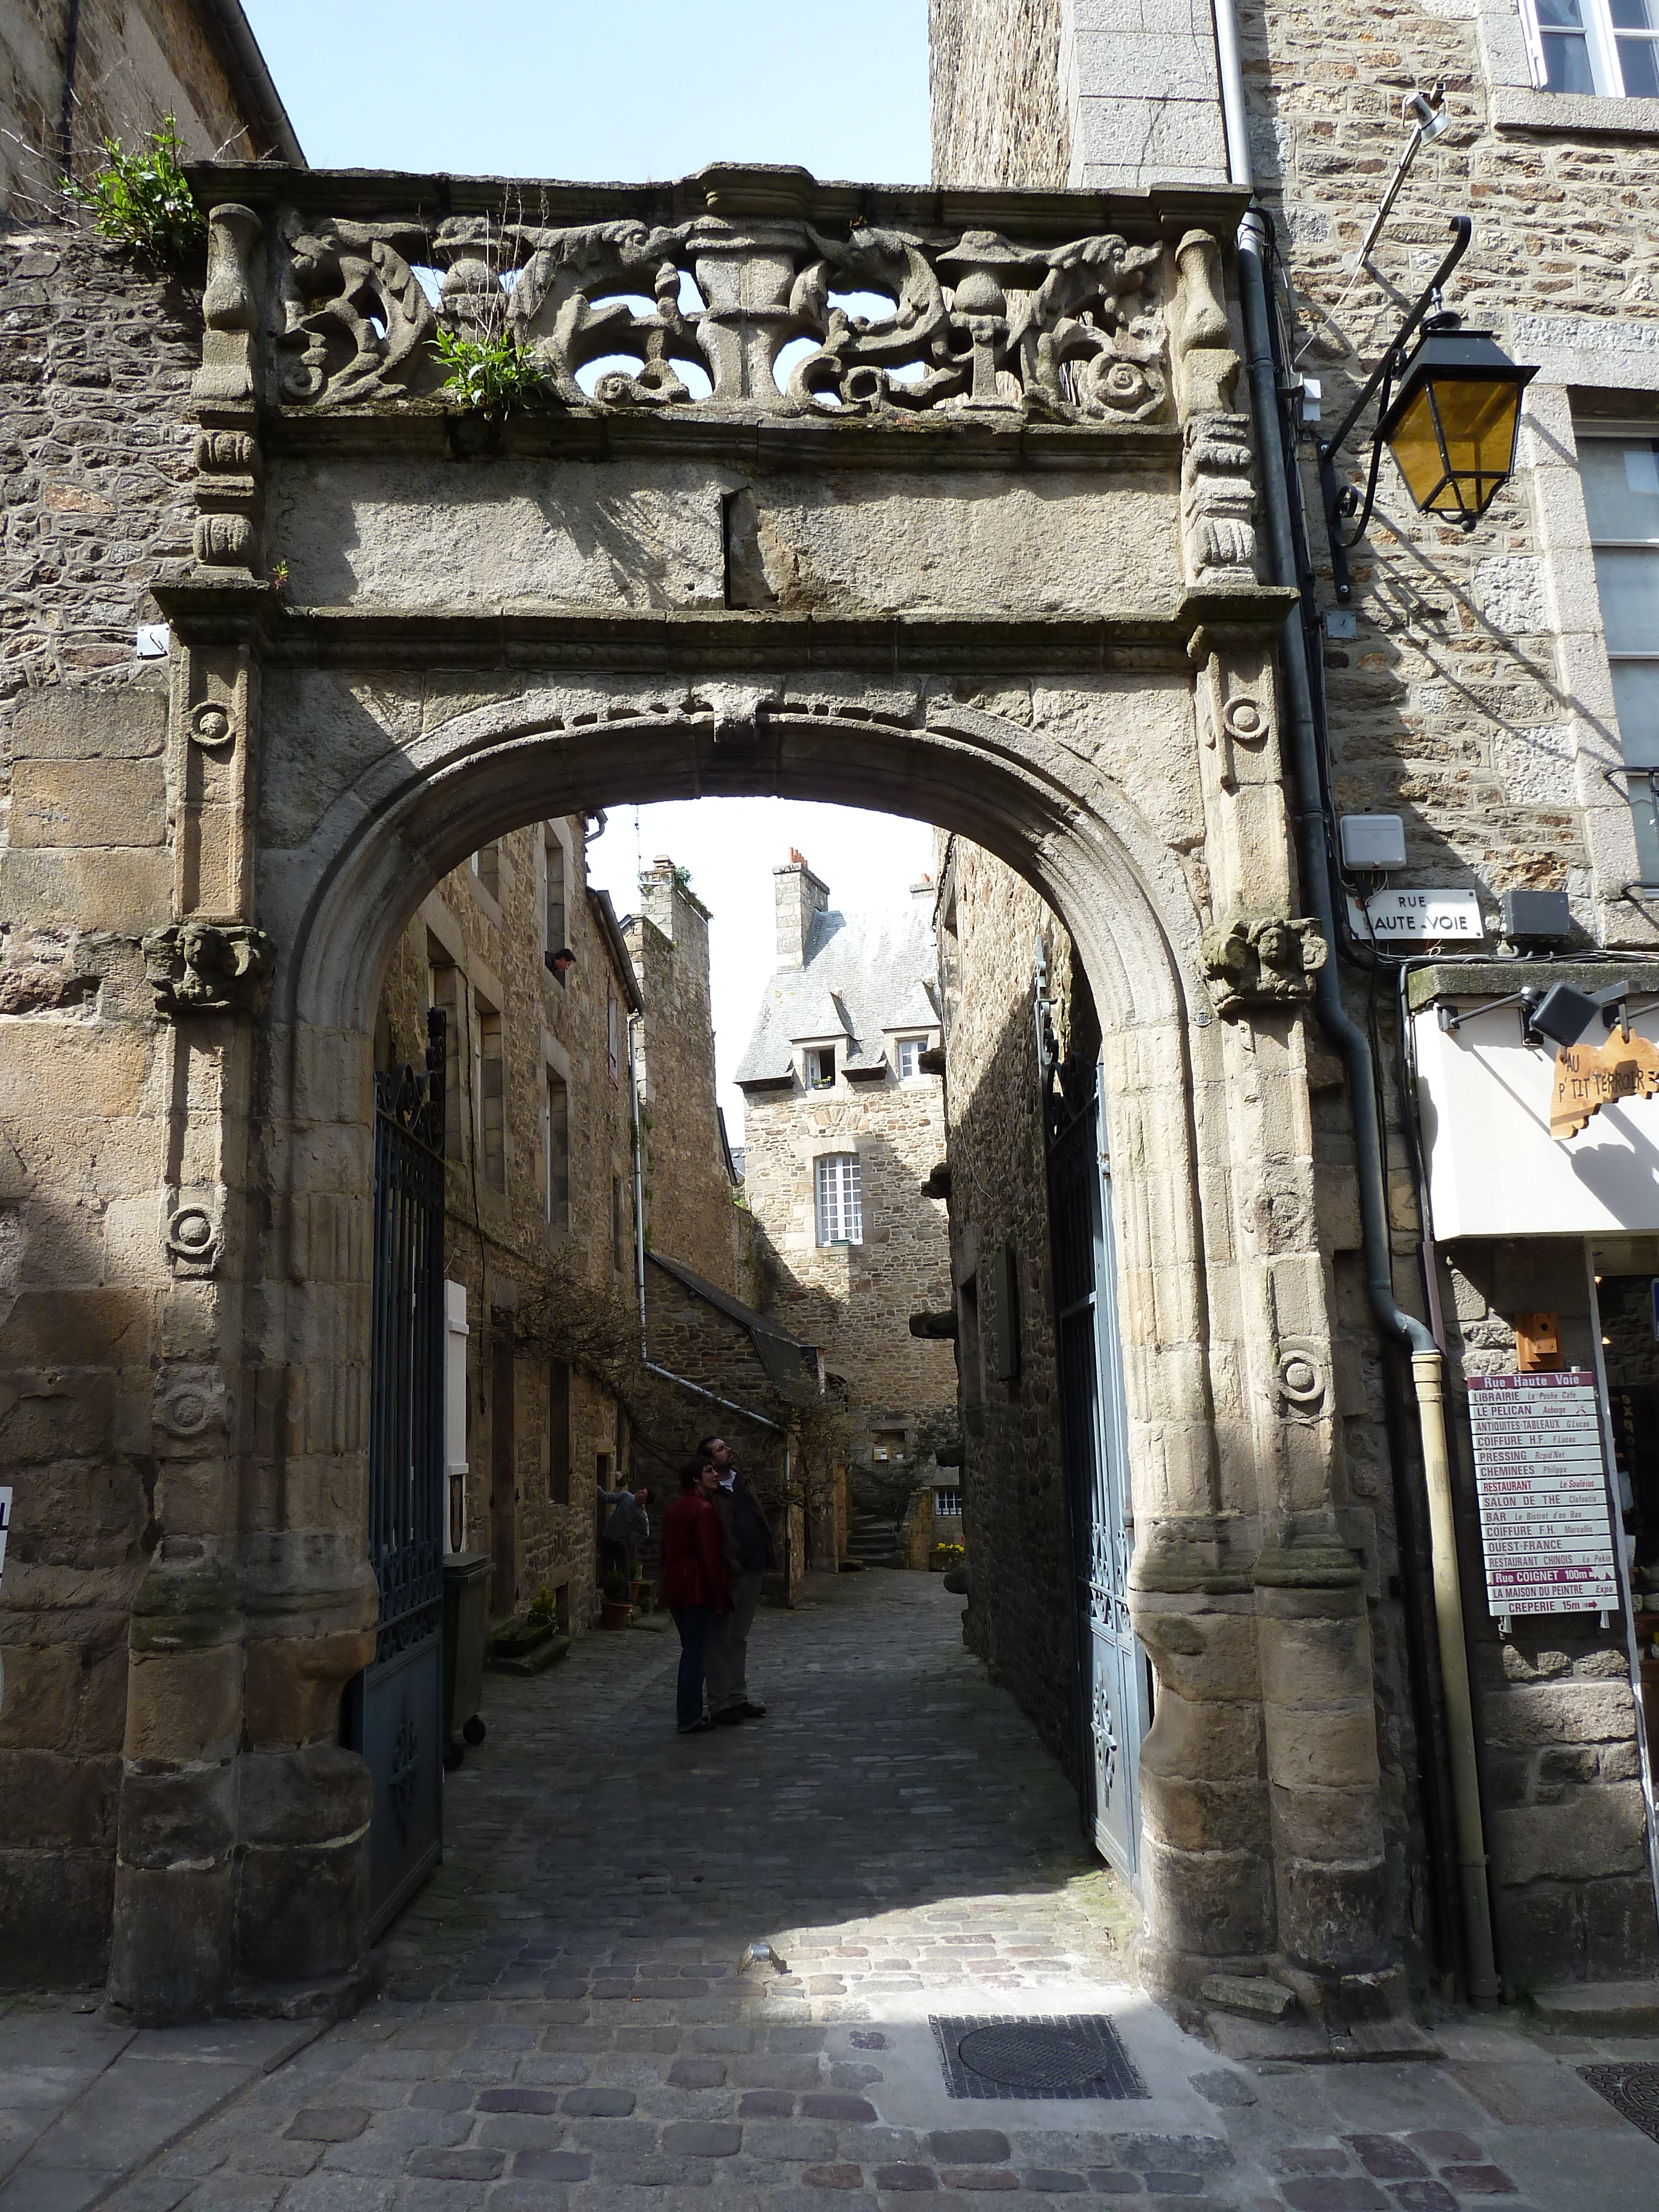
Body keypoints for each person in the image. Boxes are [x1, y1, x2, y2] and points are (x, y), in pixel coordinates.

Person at [701, 1435, 775, 1725]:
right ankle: (720, 1703)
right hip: (728, 1571)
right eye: (720, 1449)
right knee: (719, 1639)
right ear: (709, 1461)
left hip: (753, 1566)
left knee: (739, 1637)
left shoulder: (742, 1481)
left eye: (726, 1446)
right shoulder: (708, 1489)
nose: (728, 1450)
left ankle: (738, 1697)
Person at [657, 1457, 731, 1734]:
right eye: (708, 1471)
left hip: (677, 1589)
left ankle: (688, 1715)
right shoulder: (703, 1510)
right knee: (695, 1654)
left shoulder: (675, 1508)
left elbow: (664, 1552)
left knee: (691, 1651)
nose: (714, 1474)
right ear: (696, 1479)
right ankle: (689, 1717)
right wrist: (720, 1597)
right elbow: (709, 1558)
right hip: (697, 1591)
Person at [598, 1479, 650, 1585]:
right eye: (641, 1490)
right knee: (608, 1569)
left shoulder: (641, 1515)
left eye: (642, 1493)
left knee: (624, 1572)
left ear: (644, 1501)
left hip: (621, 1543)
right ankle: (610, 1593)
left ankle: (627, 1598)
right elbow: (608, 1497)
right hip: (608, 1537)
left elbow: (645, 1533)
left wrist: (631, 1541)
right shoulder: (626, 1496)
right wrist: (596, 1487)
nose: (639, 1492)